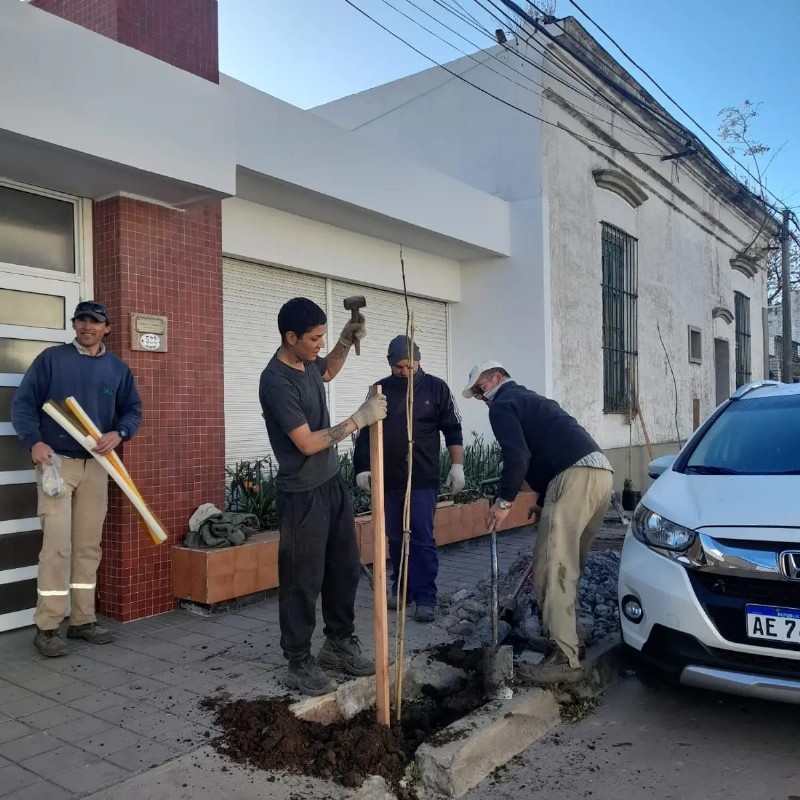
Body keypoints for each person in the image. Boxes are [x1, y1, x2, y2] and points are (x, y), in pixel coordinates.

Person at [259, 297, 387, 696]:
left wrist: (346, 341)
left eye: (324, 336)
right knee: (302, 578)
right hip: (302, 494)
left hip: (331, 483)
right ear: (290, 337)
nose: (320, 343)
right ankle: (298, 660)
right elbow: (308, 443)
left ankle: (339, 644)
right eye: (314, 338)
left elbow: (327, 370)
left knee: (344, 567)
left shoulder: (306, 363)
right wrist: (359, 419)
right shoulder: (276, 381)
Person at [462, 361, 613, 684]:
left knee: (551, 568)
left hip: (573, 478)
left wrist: (504, 502)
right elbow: (549, 448)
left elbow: (517, 456)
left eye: (480, 388)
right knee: (569, 563)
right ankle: (574, 635)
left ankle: (564, 658)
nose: (480, 396)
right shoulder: (531, 400)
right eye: (476, 392)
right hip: (600, 474)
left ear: (497, 377)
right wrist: (545, 501)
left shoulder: (503, 404)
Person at [11, 301, 142, 658]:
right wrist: (34, 440)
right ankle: (48, 626)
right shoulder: (52, 360)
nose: (87, 327)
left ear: (107, 329)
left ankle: (83, 620)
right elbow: (24, 404)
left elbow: (132, 409)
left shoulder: (116, 368)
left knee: (88, 545)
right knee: (56, 546)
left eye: (94, 322)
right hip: (56, 463)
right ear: (74, 325)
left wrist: (120, 433)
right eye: (81, 321)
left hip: (98, 466)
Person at [353, 336, 464, 623]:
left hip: (422, 477)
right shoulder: (380, 390)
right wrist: (363, 468)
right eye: (399, 367)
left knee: (421, 536)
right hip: (388, 478)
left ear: (419, 360)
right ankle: (401, 590)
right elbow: (364, 431)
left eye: (410, 366)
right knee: (394, 536)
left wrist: (457, 466)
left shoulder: (437, 388)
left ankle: (425, 597)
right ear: (391, 365)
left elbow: (453, 430)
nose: (405, 372)